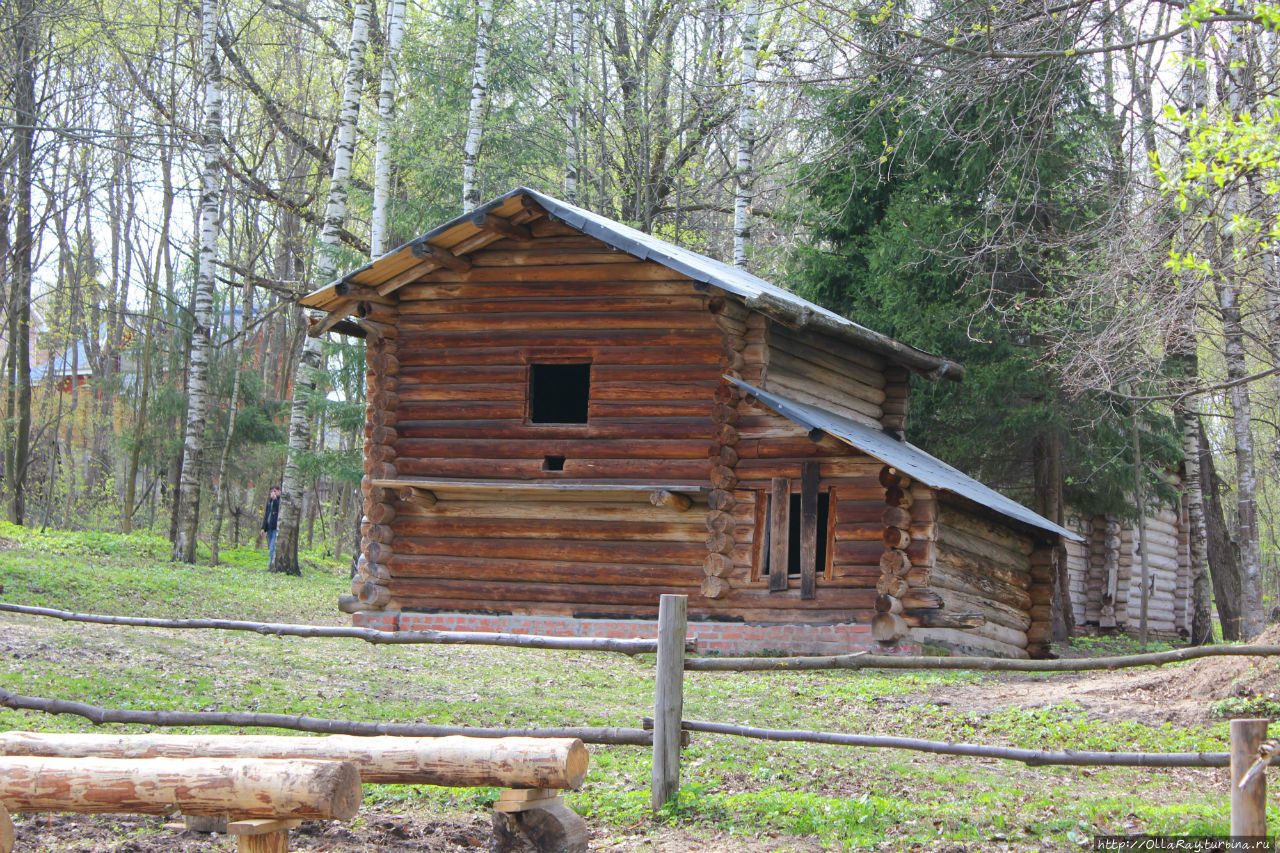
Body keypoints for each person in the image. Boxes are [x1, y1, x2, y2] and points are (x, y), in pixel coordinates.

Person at [261, 485, 281, 566]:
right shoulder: (270, 501)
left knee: (273, 547)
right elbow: (267, 515)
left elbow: (279, 509)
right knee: (270, 548)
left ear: (279, 491)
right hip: (269, 527)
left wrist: (275, 499)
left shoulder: (280, 500)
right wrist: (263, 528)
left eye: (275, 491)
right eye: (272, 491)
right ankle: (272, 563)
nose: (273, 492)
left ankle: (271, 565)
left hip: (276, 527)